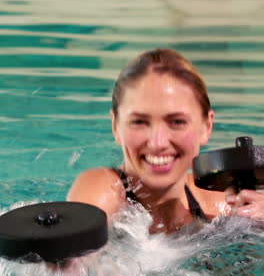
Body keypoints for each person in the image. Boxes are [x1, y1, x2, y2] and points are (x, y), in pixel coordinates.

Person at [67, 48, 264, 233]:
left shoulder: (221, 206)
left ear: (206, 126)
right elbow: (74, 245)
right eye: (139, 122)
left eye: (177, 121)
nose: (158, 142)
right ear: (115, 126)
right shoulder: (103, 190)